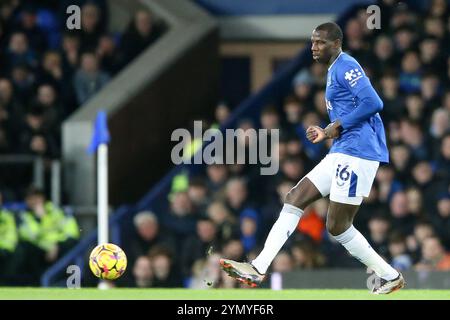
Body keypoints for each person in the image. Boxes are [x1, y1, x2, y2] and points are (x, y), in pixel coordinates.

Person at [220, 22, 405, 294]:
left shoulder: (346, 65)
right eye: (312, 42)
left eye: (320, 42)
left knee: (338, 227)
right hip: (342, 149)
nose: (314, 47)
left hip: (357, 153)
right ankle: (258, 267)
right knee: (295, 197)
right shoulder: (332, 71)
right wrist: (325, 131)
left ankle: (389, 275)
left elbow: (374, 103)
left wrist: (336, 126)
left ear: (337, 43)